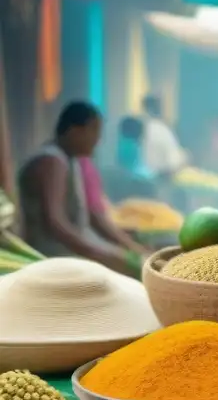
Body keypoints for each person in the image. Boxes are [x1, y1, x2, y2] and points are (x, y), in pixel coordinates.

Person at [18, 102, 141, 276]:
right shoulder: (52, 161)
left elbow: (94, 218)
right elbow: (55, 223)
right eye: (94, 131)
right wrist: (97, 252)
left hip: (67, 251)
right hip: (49, 256)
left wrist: (129, 246)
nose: (98, 139)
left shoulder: (71, 161)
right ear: (74, 131)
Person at [140, 94, 188, 178]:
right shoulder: (163, 130)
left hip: (139, 180)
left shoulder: (139, 128)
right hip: (161, 180)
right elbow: (173, 162)